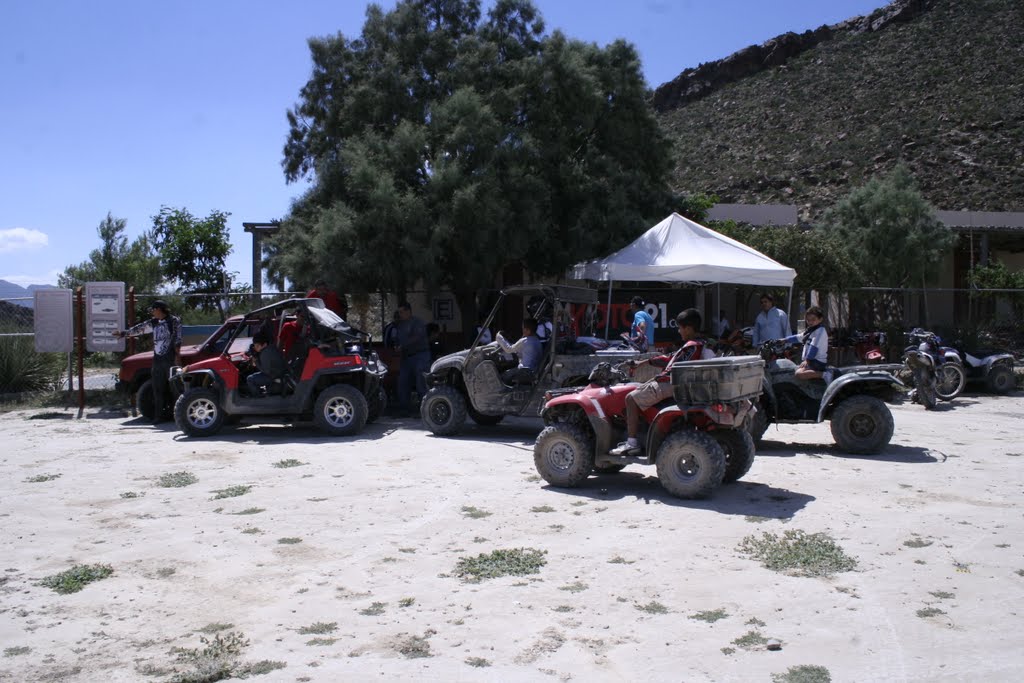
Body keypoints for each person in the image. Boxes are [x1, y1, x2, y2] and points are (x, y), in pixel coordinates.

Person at [611, 308, 716, 456]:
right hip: (681, 384)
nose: (679, 332)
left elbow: (675, 367)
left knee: (630, 398)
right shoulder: (700, 344)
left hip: (673, 384)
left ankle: (632, 442)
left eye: (680, 328)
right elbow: (670, 358)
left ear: (689, 328)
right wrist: (643, 363)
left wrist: (658, 378)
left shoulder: (692, 346)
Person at [114, 300, 182, 423]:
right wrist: (124, 333)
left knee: (175, 387)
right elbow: (140, 329)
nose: (152, 312)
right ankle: (159, 416)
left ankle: (179, 414)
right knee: (157, 388)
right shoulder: (154, 322)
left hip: (170, 359)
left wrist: (177, 356)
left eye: (153, 309)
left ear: (159, 309)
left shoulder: (173, 321)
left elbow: (178, 338)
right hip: (158, 360)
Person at [394, 301, 431, 416]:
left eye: (402, 311)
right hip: (407, 357)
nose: (400, 314)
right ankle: (405, 409)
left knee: (421, 381)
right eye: (399, 312)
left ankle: (425, 409)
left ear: (408, 311)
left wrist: (403, 345)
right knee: (403, 382)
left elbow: (417, 337)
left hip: (421, 355)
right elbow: (398, 339)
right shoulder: (400, 325)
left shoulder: (417, 322)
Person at [782, 306, 830, 381]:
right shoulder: (811, 330)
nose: (810, 322)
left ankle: (825, 375)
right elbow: (799, 337)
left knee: (798, 374)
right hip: (812, 361)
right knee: (792, 370)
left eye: (813, 320)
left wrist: (807, 360)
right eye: (808, 320)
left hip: (817, 362)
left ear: (820, 319)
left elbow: (814, 347)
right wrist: (784, 340)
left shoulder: (820, 331)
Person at [496, 318, 543, 385]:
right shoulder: (537, 341)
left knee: (503, 376)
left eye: (523, 328)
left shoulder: (524, 340)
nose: (522, 330)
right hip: (534, 370)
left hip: (524, 370)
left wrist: (499, 337)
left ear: (528, 330)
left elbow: (508, 349)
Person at [246, 331, 287, 396]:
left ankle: (258, 398)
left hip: (273, 376)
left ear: (264, 344)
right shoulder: (271, 348)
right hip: (277, 373)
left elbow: (266, 372)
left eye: (258, 346)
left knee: (250, 379)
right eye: (255, 346)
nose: (256, 348)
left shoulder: (265, 353)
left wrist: (256, 361)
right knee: (254, 375)